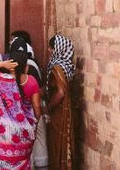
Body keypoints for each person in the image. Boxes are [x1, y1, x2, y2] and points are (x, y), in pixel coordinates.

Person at [0, 51, 41, 170]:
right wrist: (33, 124)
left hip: (4, 137)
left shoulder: (1, 79)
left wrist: (2, 64)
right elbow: (37, 108)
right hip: (25, 135)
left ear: (10, 64)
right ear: (25, 67)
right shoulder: (32, 81)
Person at [9, 37, 48, 169]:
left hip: (11, 123)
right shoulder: (31, 75)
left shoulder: (4, 76)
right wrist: (36, 119)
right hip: (29, 120)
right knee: (33, 148)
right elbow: (37, 103)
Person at [45, 34, 76, 170]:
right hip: (66, 109)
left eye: (52, 49)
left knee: (59, 143)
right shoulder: (67, 66)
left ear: (58, 49)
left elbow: (60, 92)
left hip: (59, 110)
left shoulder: (58, 68)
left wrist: (48, 107)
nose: (50, 51)